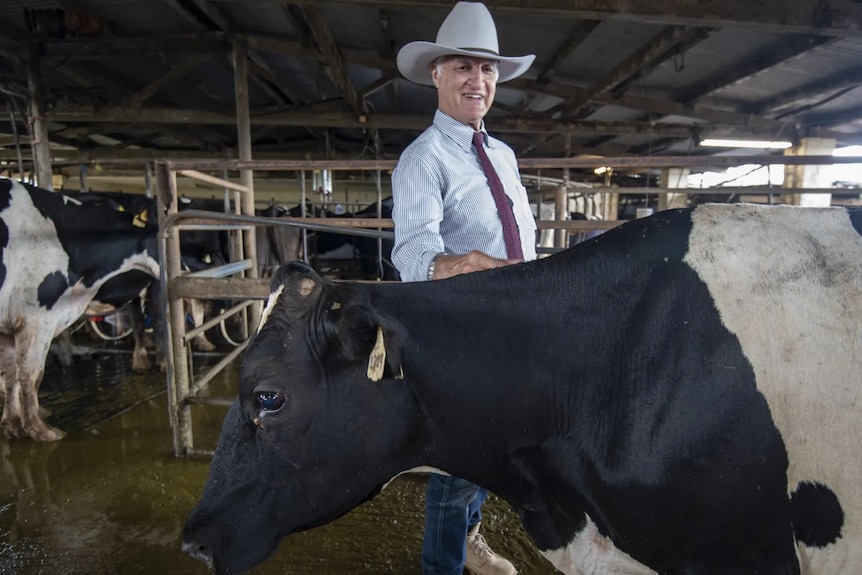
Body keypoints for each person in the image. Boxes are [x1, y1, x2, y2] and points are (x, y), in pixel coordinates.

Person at [391, 3, 537, 575]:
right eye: (463, 68)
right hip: (463, 337)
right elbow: (409, 256)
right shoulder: (422, 161)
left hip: (518, 323)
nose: (477, 81)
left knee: (496, 447)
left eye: (488, 70)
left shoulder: (502, 154)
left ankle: (470, 539)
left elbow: (520, 239)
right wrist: (473, 265)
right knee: (457, 468)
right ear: (437, 74)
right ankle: (443, 567)